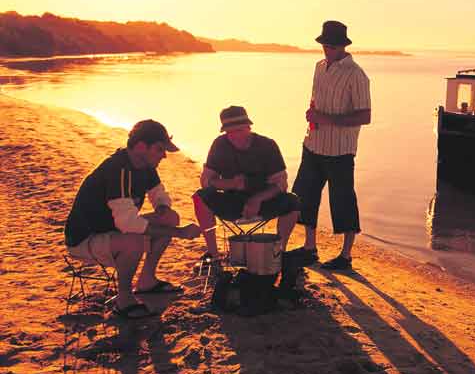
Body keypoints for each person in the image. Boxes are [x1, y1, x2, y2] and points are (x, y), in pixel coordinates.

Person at [64, 120, 201, 319]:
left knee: (170, 218)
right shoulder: (119, 169)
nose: (164, 155)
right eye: (159, 149)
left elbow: (159, 194)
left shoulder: (144, 164)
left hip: (112, 228)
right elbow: (128, 224)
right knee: (134, 240)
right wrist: (179, 233)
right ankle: (124, 300)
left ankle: (146, 280)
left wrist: (162, 207)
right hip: (85, 238)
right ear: (140, 146)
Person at [290, 20, 371, 271]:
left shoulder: (356, 75)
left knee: (343, 200)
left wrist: (327, 119)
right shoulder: (319, 67)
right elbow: (317, 100)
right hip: (313, 143)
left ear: (341, 46)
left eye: (330, 46)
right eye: (324, 45)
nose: (326, 50)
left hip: (340, 150)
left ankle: (345, 256)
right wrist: (313, 113)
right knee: (304, 197)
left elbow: (364, 116)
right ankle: (309, 248)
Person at [192, 106, 300, 267]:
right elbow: (206, 180)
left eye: (240, 130)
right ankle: (214, 255)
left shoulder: (267, 145)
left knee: (293, 201)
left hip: (263, 202)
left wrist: (257, 198)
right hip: (232, 200)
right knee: (200, 197)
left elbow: (281, 183)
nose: (235, 135)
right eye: (230, 132)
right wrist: (230, 183)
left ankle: (279, 252)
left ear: (249, 127)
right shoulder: (220, 145)